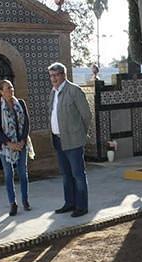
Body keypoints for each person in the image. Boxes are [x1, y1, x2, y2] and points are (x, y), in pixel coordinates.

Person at [47, 62, 92, 217]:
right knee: (66, 174)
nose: (53, 78)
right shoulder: (53, 92)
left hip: (73, 140)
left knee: (78, 174)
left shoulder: (74, 91)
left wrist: (80, 133)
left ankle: (81, 206)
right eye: (51, 75)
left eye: (55, 75)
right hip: (58, 140)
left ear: (63, 75)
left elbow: (86, 115)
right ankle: (70, 203)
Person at [0, 79, 32, 216]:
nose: (11, 90)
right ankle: (12, 203)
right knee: (9, 174)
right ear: (1, 92)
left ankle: (25, 201)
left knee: (23, 173)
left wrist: (22, 141)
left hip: (21, 144)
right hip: (6, 147)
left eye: (12, 87)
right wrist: (10, 143)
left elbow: (26, 123)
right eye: (8, 88)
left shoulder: (20, 103)